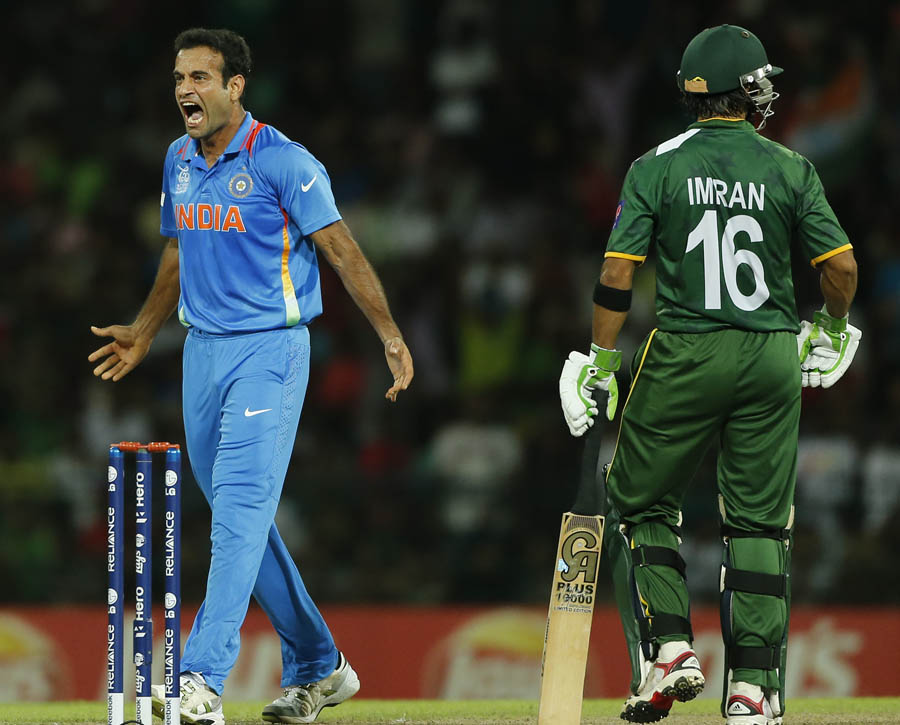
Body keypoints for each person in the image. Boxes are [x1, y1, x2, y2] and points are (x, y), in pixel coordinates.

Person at [88, 27, 413, 725]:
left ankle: (201, 675)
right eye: (180, 78)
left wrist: (388, 332)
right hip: (200, 354)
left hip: (269, 352)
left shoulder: (283, 161)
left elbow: (342, 249)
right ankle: (319, 666)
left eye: (201, 77)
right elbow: (176, 251)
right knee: (247, 522)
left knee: (238, 510)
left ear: (237, 86)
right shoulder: (178, 158)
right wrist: (145, 329)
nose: (185, 91)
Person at [559, 24, 859, 725]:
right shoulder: (790, 166)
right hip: (770, 355)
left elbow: (614, 273)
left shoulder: (653, 166)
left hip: (687, 349)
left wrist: (600, 358)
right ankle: (753, 688)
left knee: (638, 496)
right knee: (758, 521)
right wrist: (834, 325)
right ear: (747, 89)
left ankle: (669, 648)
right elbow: (840, 268)